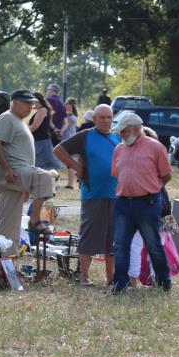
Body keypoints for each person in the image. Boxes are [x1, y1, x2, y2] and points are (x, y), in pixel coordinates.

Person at [53, 104, 118, 286]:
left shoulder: (118, 136)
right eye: (102, 117)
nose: (106, 120)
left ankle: (111, 278)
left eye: (109, 117)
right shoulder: (86, 135)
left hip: (116, 194)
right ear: (94, 119)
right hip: (93, 194)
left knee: (112, 238)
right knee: (89, 234)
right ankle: (84, 276)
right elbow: (58, 150)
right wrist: (77, 168)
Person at [110, 112, 172, 293]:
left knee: (153, 244)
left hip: (147, 202)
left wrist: (151, 188)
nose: (120, 135)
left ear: (136, 128)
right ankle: (120, 283)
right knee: (121, 245)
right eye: (120, 131)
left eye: (124, 131)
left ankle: (163, 281)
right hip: (123, 202)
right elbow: (117, 173)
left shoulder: (155, 147)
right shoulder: (119, 149)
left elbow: (166, 175)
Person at [0, 90, 56, 256]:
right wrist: (6, 169)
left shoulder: (19, 121)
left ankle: (3, 263)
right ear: (15, 102)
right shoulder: (7, 118)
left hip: (17, 176)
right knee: (46, 177)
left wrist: (26, 188)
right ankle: (34, 220)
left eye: (33, 103)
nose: (31, 106)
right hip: (11, 172)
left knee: (9, 225)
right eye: (27, 103)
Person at [29, 93, 63, 170]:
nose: (30, 104)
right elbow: (49, 122)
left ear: (36, 101)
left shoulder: (42, 110)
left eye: (31, 102)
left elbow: (35, 126)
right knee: (42, 165)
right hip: (41, 140)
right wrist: (55, 129)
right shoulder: (43, 110)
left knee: (42, 165)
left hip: (40, 141)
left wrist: (24, 133)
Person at [62, 98, 79, 189]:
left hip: (70, 141)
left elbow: (65, 125)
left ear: (71, 105)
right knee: (69, 163)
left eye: (67, 103)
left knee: (70, 163)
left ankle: (71, 184)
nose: (65, 105)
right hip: (67, 140)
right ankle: (72, 182)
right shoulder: (70, 115)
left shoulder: (70, 116)